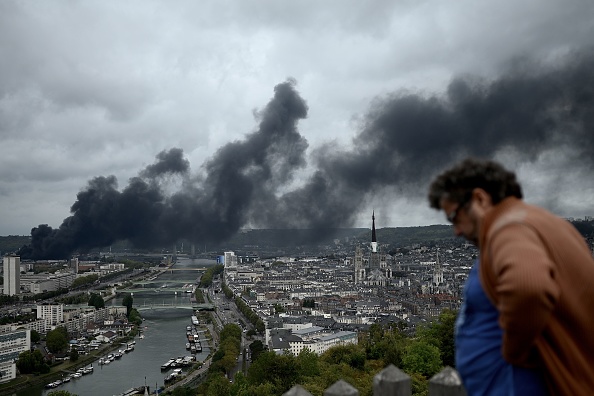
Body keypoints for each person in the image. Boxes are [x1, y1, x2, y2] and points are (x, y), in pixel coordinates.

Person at [428, 158, 594, 396]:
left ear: (480, 199)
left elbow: (529, 287)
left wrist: (513, 352)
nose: (456, 230)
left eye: (454, 216)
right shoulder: (546, 224)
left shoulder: (509, 227)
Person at [455, 258, 547, 395]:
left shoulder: (503, 240)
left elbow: (531, 290)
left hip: (510, 384)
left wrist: (513, 351)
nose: (458, 234)